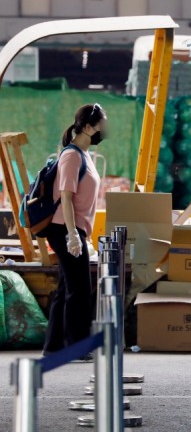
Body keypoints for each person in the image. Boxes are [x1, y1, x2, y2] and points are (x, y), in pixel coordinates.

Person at [42, 103, 105, 360]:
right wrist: (72, 235)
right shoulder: (71, 156)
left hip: (74, 229)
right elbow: (66, 198)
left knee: (67, 287)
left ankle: (54, 345)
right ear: (88, 127)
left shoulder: (84, 155)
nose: (104, 130)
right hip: (63, 229)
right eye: (102, 124)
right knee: (80, 288)